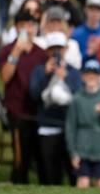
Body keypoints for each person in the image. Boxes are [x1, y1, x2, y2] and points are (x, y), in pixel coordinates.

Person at [0, 10, 47, 183]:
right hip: (17, 109)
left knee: (40, 152)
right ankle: (18, 180)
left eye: (31, 25)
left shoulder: (41, 53)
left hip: (38, 109)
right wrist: (16, 53)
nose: (28, 29)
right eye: (24, 25)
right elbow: (5, 77)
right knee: (20, 153)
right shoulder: (7, 51)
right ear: (17, 28)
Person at [29, 32, 82, 185]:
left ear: (66, 49)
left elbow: (79, 97)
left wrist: (66, 77)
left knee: (73, 173)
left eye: (59, 48)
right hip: (47, 127)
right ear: (47, 51)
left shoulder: (73, 71)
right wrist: (46, 75)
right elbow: (34, 94)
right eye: (53, 49)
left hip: (69, 128)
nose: (56, 52)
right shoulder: (40, 70)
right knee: (49, 173)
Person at [65, 59, 100, 189]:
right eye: (88, 74)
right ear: (83, 76)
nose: (91, 77)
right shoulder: (77, 99)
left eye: (95, 74)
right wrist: (73, 152)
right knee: (83, 182)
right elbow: (70, 127)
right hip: (82, 148)